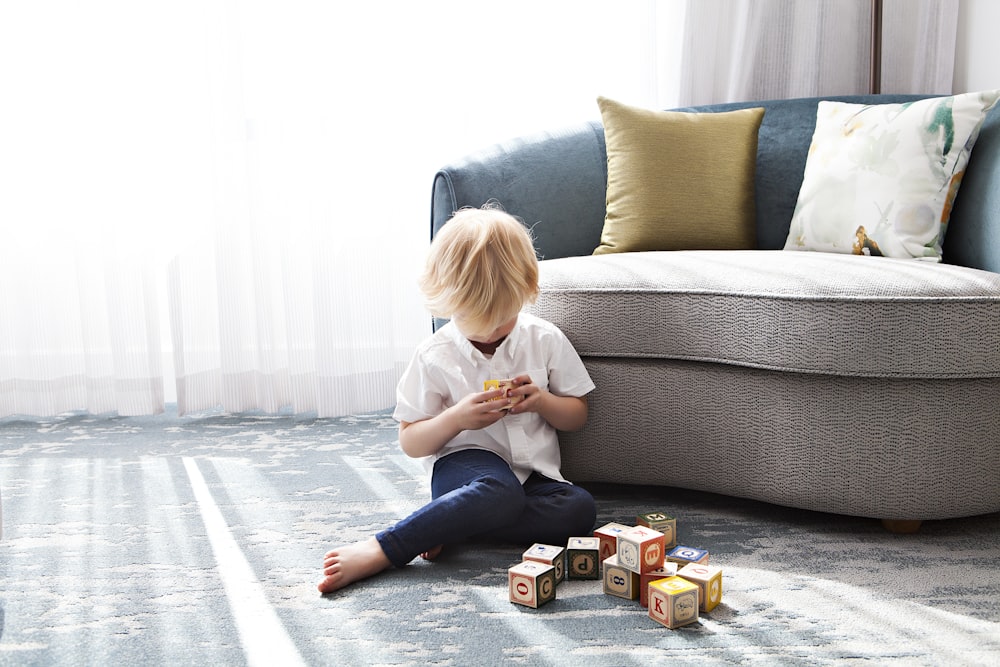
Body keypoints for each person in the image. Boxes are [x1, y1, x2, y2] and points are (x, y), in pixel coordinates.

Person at [317, 204, 597, 594]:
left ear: (526, 292)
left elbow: (577, 415)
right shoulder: (434, 355)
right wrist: (457, 419)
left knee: (579, 510)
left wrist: (542, 402)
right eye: (473, 321)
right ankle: (388, 545)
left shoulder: (544, 339)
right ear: (447, 302)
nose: (489, 335)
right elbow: (411, 441)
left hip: (534, 475)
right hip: (465, 467)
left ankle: (453, 522)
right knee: (498, 493)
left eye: (502, 320)